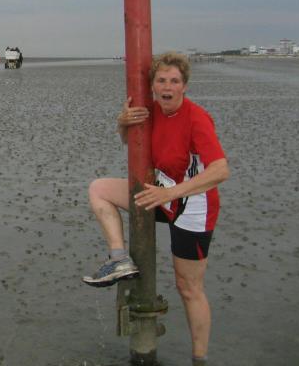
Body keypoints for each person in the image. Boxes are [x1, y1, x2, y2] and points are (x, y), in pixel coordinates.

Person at [83, 52, 229, 365]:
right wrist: (122, 123)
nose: (167, 87)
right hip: (161, 193)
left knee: (188, 287)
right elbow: (130, 143)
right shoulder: (151, 111)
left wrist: (172, 193)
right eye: (161, 80)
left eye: (174, 81)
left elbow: (220, 170)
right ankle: (119, 259)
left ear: (184, 86)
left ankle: (199, 358)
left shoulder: (197, 118)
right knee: (99, 189)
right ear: (152, 85)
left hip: (193, 206)